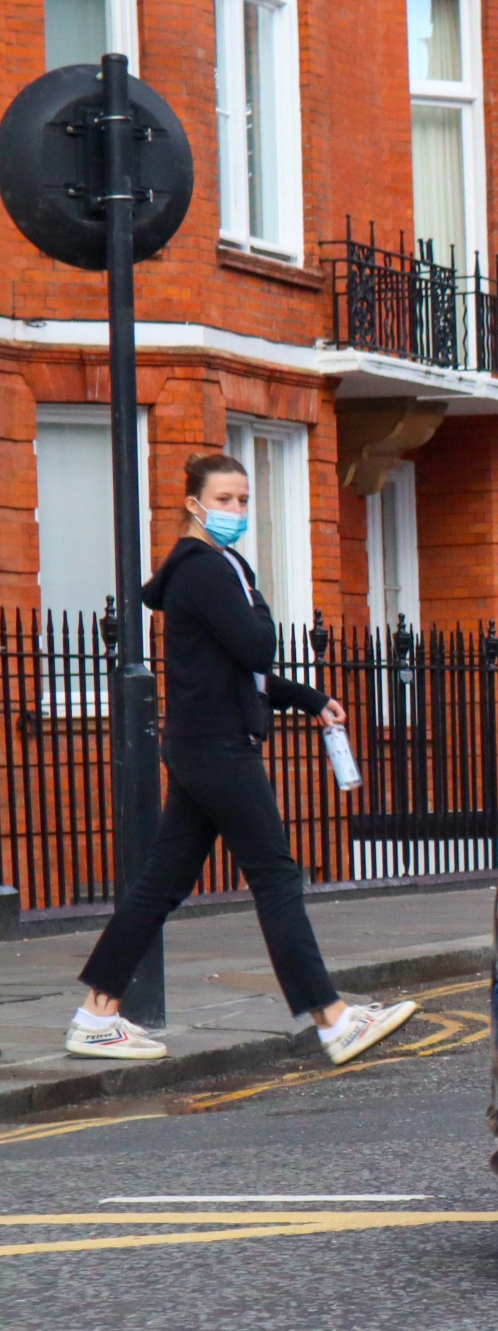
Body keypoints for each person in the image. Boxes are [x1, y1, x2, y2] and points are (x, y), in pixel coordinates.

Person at [67, 453, 415, 1066]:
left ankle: (96, 1015)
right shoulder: (204, 571)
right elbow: (256, 643)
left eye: (243, 500)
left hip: (205, 741)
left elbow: (239, 671)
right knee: (276, 877)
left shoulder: (219, 567)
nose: (236, 511)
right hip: (216, 747)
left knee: (163, 883)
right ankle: (332, 1019)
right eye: (224, 500)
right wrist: (257, 602)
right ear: (194, 505)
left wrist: (311, 700)